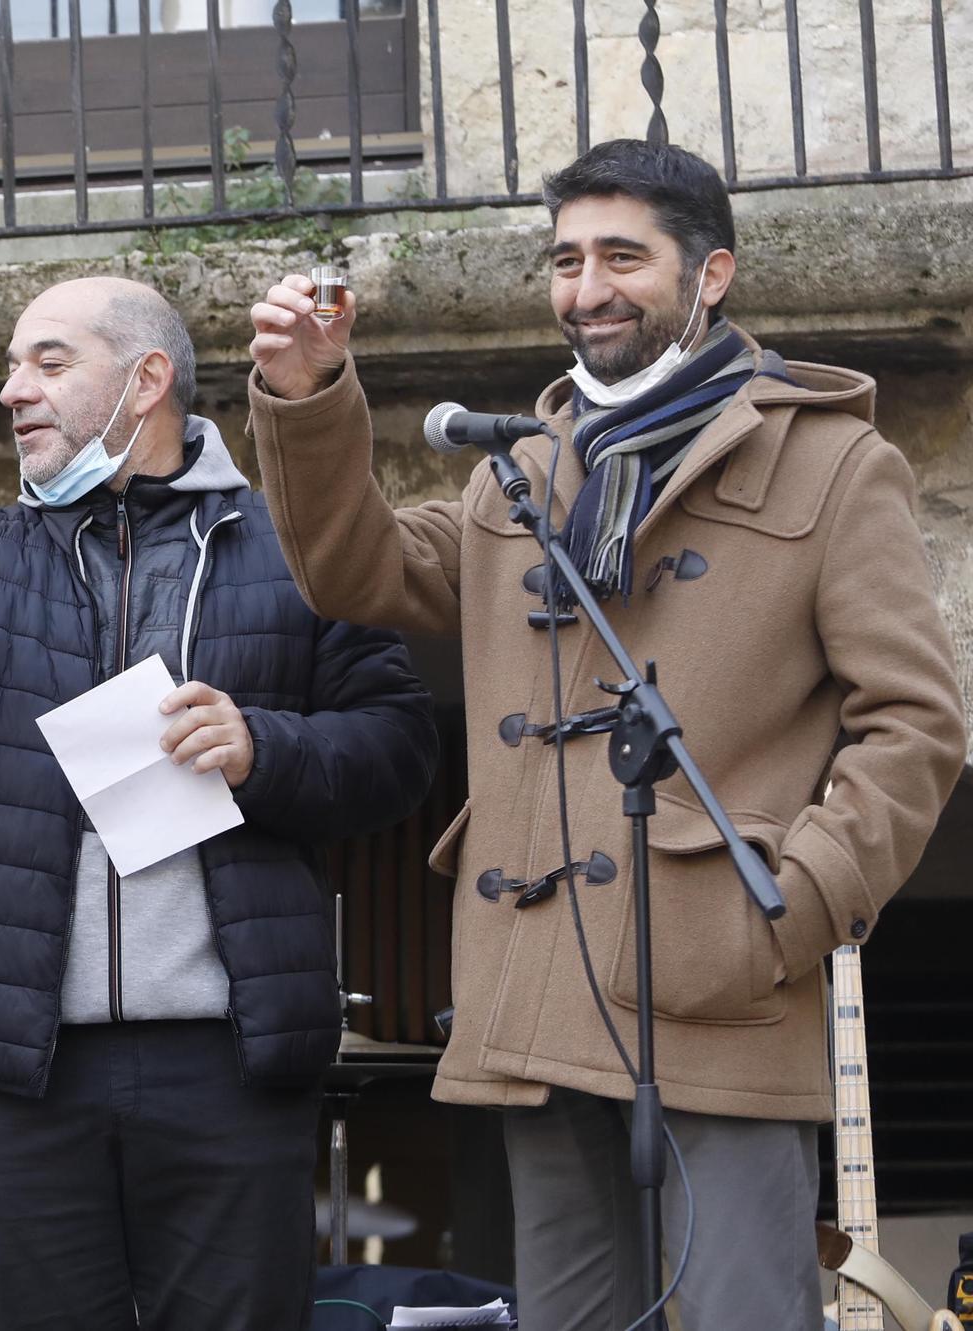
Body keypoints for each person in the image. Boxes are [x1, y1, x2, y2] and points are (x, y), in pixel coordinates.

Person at [246, 139, 967, 1329]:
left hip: (718, 980)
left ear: (710, 273)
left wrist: (789, 901)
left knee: (744, 1313)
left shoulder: (834, 464)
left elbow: (915, 723)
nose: (587, 289)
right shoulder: (517, 473)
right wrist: (311, 395)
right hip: (540, 987)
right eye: (566, 259)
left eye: (622, 256)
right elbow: (349, 566)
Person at [0, 277, 439, 1330]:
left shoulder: (295, 545)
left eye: (48, 363)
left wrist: (260, 747)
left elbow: (398, 750)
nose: (11, 390)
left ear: (147, 381)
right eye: (10, 366)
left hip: (226, 1065)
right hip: (21, 1072)